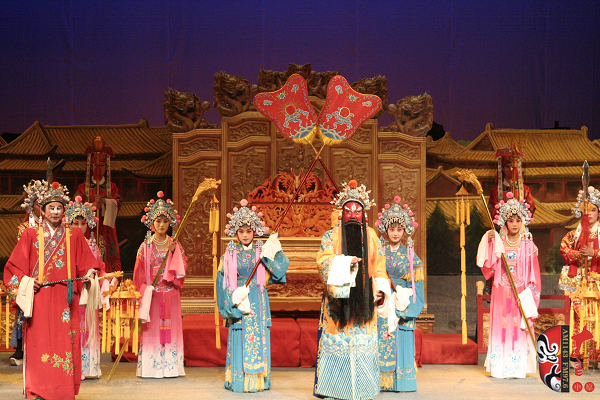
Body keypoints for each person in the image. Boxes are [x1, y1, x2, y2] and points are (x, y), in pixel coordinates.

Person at [4, 181, 100, 400]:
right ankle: (38, 390)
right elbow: (13, 268)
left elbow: (87, 263)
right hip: (39, 298)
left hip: (65, 298)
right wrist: (27, 282)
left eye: (59, 208)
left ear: (64, 210)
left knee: (64, 343)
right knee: (39, 344)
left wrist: (90, 274)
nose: (55, 212)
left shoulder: (74, 235)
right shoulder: (30, 235)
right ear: (43, 210)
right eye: (51, 208)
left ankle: (63, 390)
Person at [314, 180, 389, 400]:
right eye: (349, 211)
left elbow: (380, 266)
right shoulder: (331, 236)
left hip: (366, 297)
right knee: (338, 343)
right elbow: (323, 261)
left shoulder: (372, 236)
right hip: (339, 302)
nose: (353, 215)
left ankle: (363, 389)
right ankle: (336, 390)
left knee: (364, 343)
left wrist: (381, 290)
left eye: (358, 211)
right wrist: (345, 263)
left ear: (364, 213)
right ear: (342, 213)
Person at [216, 199, 289, 392]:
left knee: (259, 337)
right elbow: (222, 281)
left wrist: (273, 249)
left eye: (249, 231)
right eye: (241, 231)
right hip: (239, 300)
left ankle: (259, 381)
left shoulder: (261, 250)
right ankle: (239, 381)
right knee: (240, 335)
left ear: (255, 231)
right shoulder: (229, 253)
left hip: (258, 299)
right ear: (235, 232)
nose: (245, 235)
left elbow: (278, 272)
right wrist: (229, 305)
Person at [477, 192, 540, 378]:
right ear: (504, 221)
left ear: (523, 222)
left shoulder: (528, 245)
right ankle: (500, 367)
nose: (514, 224)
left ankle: (518, 367)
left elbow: (534, 274)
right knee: (502, 325)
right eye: (510, 220)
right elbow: (488, 266)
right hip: (501, 289)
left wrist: (530, 296)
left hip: (520, 291)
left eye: (518, 220)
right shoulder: (499, 242)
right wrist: (489, 240)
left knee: (518, 326)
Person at [133, 191, 187, 378]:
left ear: (170, 222)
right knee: (153, 330)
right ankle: (151, 367)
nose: (162, 225)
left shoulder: (175, 245)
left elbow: (182, 267)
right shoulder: (145, 247)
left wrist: (173, 253)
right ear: (151, 223)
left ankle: (171, 368)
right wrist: (145, 291)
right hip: (152, 295)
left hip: (171, 292)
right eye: (158, 221)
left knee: (171, 329)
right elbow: (139, 275)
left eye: (165, 221)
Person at [374, 196, 424, 392]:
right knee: (381, 339)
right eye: (392, 229)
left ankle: (402, 381)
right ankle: (380, 381)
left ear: (405, 231)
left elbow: (417, 287)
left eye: (399, 229)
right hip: (383, 303)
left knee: (401, 339)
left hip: (402, 303)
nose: (395, 233)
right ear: (386, 230)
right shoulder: (379, 252)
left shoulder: (411, 257)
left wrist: (408, 308)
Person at [65, 195, 110, 379]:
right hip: (71, 294)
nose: (79, 227)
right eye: (75, 223)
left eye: (82, 223)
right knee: (71, 329)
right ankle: (72, 369)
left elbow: (100, 268)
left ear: (88, 225)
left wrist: (102, 279)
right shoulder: (64, 245)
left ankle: (88, 368)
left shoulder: (93, 246)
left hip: (88, 293)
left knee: (88, 328)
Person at [558, 186, 600, 363]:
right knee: (578, 314)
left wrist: (594, 253)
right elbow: (564, 249)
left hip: (597, 281)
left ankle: (595, 352)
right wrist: (578, 255)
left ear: (599, 212)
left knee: (596, 315)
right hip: (578, 281)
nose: (589, 214)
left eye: (593, 210)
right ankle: (579, 353)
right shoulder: (574, 234)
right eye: (586, 210)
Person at [9, 179, 47, 366]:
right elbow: (22, 255)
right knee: (25, 311)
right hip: (30, 272)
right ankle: (21, 349)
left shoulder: (55, 228)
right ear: (31, 206)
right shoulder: (25, 229)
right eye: (38, 204)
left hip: (49, 273)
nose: (42, 208)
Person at [75, 136, 121, 272]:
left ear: (106, 167)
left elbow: (118, 203)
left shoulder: (112, 187)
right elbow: (76, 208)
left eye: (102, 165)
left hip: (106, 228)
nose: (98, 168)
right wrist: (92, 205)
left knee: (107, 254)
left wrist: (105, 202)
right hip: (88, 228)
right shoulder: (83, 187)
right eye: (96, 165)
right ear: (91, 166)